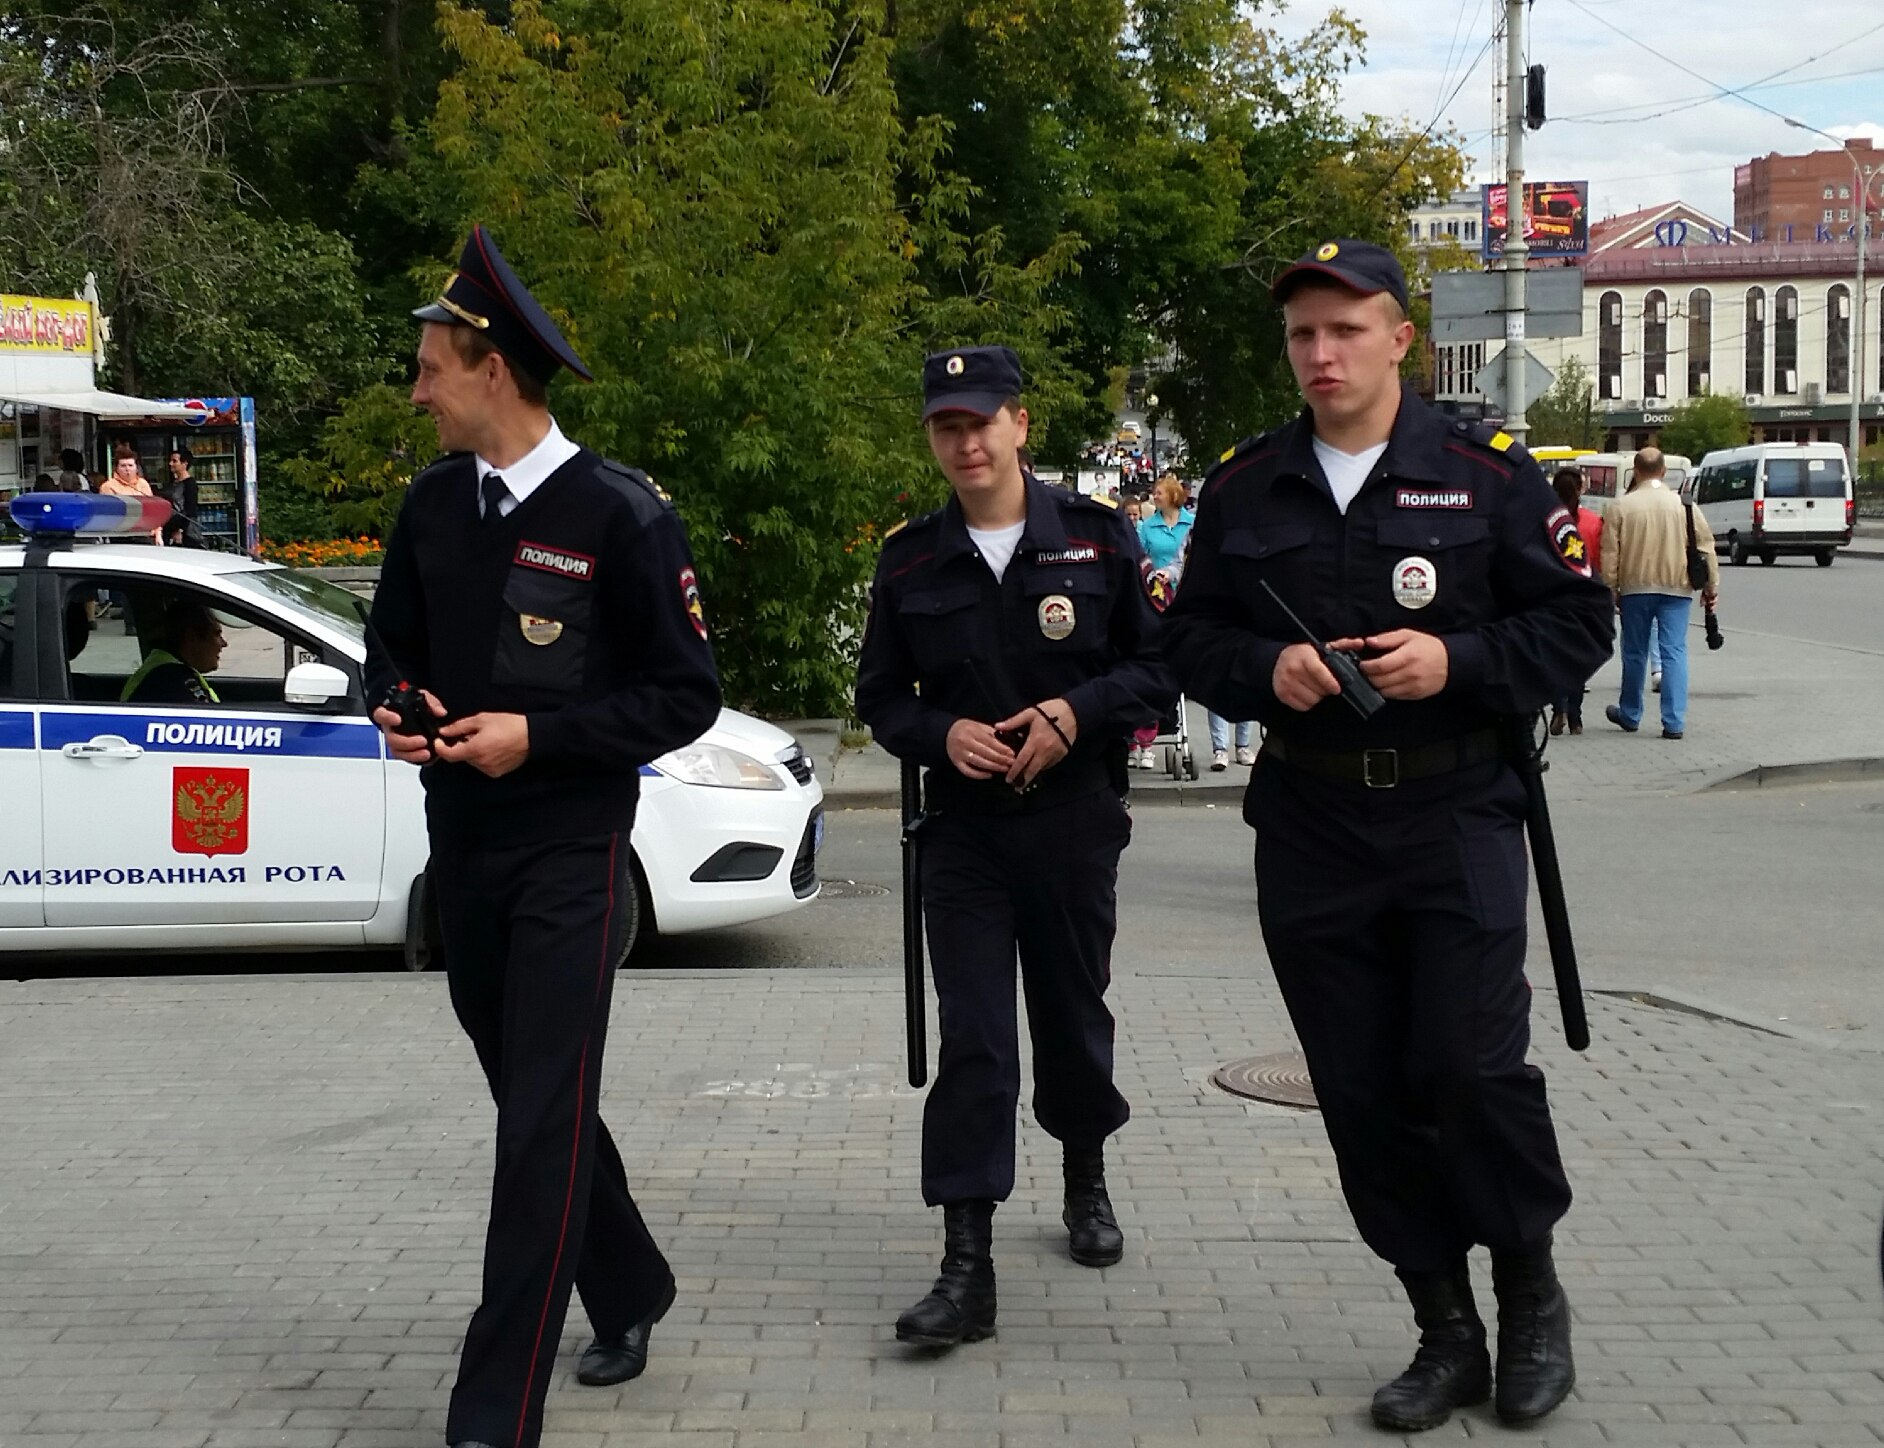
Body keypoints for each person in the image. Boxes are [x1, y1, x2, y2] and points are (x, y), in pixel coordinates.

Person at [1165, 239, 1612, 1433]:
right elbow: (1187, 641)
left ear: (1401, 338)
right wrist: (1269, 668)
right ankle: (1443, 1325)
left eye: (1346, 329)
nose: (1321, 353)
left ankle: (1530, 1295)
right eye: (1303, 334)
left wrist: (1454, 659)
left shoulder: (1489, 473)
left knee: (1467, 1067)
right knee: (1360, 1086)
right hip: (1311, 819)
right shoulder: (1245, 486)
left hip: (1455, 809)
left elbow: (1578, 625)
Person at [366, 225, 721, 1448]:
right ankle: (629, 1282)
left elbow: (685, 696)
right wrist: (396, 712)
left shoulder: (621, 515)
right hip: (459, 849)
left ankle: (492, 1406)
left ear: (492, 366)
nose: (415, 392)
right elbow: (392, 648)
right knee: (538, 1100)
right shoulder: (429, 507)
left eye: (429, 368)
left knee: (536, 1127)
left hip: (574, 853)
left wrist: (541, 737)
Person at [855, 344, 1172, 1349]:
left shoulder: (1096, 539)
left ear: (1019, 424)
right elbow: (878, 700)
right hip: (965, 834)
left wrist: (1076, 714)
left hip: (1074, 823)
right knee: (977, 1040)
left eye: (980, 420)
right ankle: (965, 1264)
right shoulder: (908, 558)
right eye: (945, 425)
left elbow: (1157, 673)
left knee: (1073, 1018)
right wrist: (938, 731)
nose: (964, 440)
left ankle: (1085, 1173)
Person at [1601, 446, 1718, 741]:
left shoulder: (1620, 507)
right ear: (1663, 471)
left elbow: (1610, 555)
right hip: (1677, 588)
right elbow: (1705, 546)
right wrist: (1710, 586)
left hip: (1634, 589)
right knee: (1674, 651)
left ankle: (1630, 713)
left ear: (1636, 472)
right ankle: (1674, 722)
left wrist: (1611, 588)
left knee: (1635, 652)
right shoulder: (1685, 506)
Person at [1128, 475, 1192, 768]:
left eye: (1158, 493)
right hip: (1153, 598)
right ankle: (1140, 739)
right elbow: (1138, 557)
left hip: (1184, 599)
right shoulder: (1146, 526)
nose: (1154, 497)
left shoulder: (1189, 524)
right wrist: (1153, 574)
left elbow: (1190, 559)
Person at [1547, 466, 1601, 735]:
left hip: (1553, 594)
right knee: (1578, 654)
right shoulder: (1591, 521)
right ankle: (1576, 716)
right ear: (1580, 489)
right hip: (1584, 595)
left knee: (1556, 653)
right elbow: (1599, 560)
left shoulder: (1544, 520)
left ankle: (1558, 707)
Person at [120, 598, 225, 704]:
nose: (224, 643)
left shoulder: (165, 670)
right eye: (216, 634)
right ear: (192, 638)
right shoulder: (168, 681)